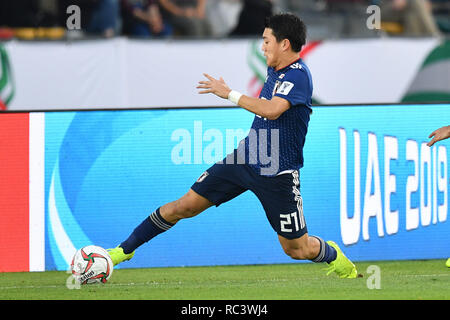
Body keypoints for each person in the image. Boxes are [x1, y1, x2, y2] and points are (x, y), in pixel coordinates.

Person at [108, 13, 357, 279]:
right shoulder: (275, 69)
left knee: (297, 249)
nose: (262, 47)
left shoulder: (299, 76)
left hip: (278, 172)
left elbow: (273, 110)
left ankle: (334, 256)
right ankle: (121, 252)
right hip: (246, 157)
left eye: (266, 41)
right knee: (184, 206)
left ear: (284, 44)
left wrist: (229, 94)